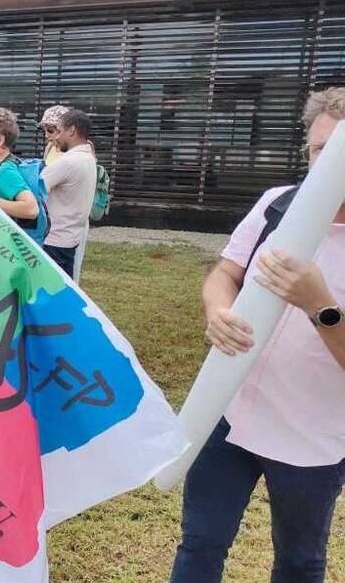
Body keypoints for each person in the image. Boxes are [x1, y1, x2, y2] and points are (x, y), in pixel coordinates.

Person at [169, 88, 345, 583]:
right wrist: (218, 309)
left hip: (312, 439)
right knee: (200, 544)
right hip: (228, 412)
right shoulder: (277, 203)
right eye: (319, 150)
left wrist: (320, 306)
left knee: (299, 561)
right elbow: (225, 273)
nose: (327, 165)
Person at [40, 108, 97, 279]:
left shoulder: (68, 162)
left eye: (58, 130)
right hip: (70, 237)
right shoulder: (87, 157)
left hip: (54, 238)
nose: (55, 136)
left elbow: (35, 188)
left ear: (71, 130)